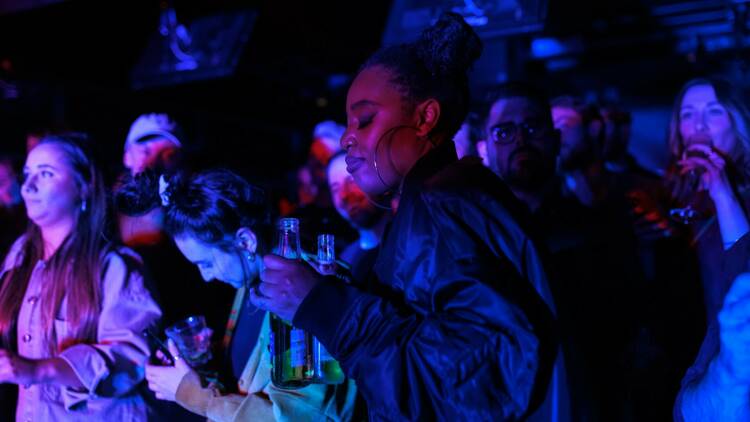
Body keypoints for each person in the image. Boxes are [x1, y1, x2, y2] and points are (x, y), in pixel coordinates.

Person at [251, 13, 557, 420]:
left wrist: (329, 307)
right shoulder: (441, 199)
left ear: (424, 117)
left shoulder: (443, 204)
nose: (347, 138)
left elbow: (476, 383)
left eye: (363, 119)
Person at [116, 169, 357, 421]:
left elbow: (298, 418)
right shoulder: (252, 283)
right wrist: (201, 367)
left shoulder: (301, 295)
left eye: (207, 263)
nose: (205, 276)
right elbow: (249, 383)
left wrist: (192, 394)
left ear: (245, 241)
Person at [0, 135, 162, 421]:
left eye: (45, 174)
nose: (28, 186)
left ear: (83, 187)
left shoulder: (114, 267)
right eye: (27, 175)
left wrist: (38, 369)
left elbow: (131, 359)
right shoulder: (18, 256)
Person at [665, 77, 750, 322]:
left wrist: (722, 193)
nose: (699, 126)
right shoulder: (672, 197)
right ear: (679, 130)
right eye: (687, 115)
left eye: (713, 112)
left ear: (736, 123)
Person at [326, 151, 389, 284]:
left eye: (351, 180)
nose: (343, 195)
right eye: (335, 189)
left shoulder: (410, 240)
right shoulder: (344, 262)